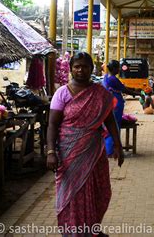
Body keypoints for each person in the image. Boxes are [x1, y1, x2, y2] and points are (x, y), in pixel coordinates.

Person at [46, 52, 124, 236]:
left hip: (94, 152)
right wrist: (50, 151)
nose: (81, 70)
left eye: (85, 66)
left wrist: (118, 145)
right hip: (68, 153)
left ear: (92, 69)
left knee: (99, 191)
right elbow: (52, 124)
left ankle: (92, 230)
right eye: (77, 66)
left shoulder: (100, 93)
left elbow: (110, 120)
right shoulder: (62, 93)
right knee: (72, 193)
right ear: (71, 68)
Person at [102, 60, 140, 156]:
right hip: (116, 106)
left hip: (110, 104)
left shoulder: (106, 77)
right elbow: (124, 89)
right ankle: (110, 151)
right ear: (114, 69)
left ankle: (109, 149)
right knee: (114, 126)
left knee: (108, 127)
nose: (119, 69)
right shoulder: (113, 79)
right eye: (118, 68)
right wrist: (137, 94)